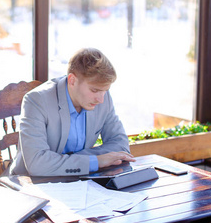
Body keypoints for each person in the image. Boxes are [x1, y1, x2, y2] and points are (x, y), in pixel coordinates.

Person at [9, 48, 135, 176]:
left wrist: (64, 160)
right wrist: (96, 161)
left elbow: (121, 147)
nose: (101, 99)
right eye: (94, 90)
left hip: (81, 180)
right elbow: (38, 164)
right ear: (72, 80)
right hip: (32, 183)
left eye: (105, 90)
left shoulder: (103, 97)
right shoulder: (36, 101)